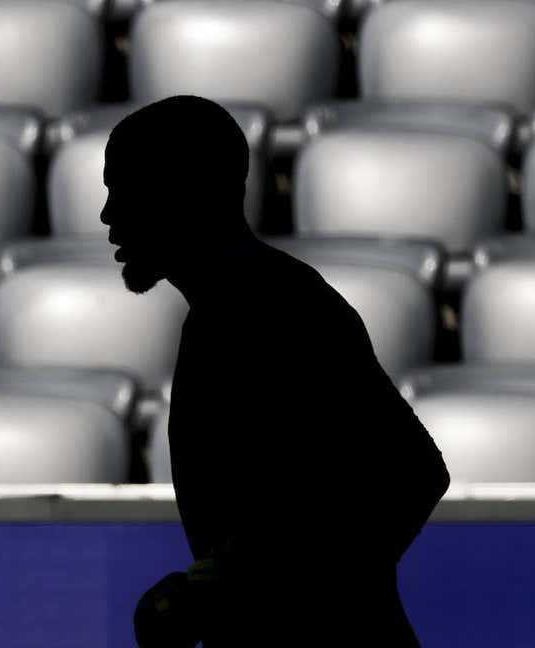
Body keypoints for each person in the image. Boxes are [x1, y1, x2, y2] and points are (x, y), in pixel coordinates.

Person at [104, 96, 451, 647]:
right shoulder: (230, 310)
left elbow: (414, 474)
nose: (107, 214)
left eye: (124, 188)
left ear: (184, 190)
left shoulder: (279, 306)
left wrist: (261, 596)